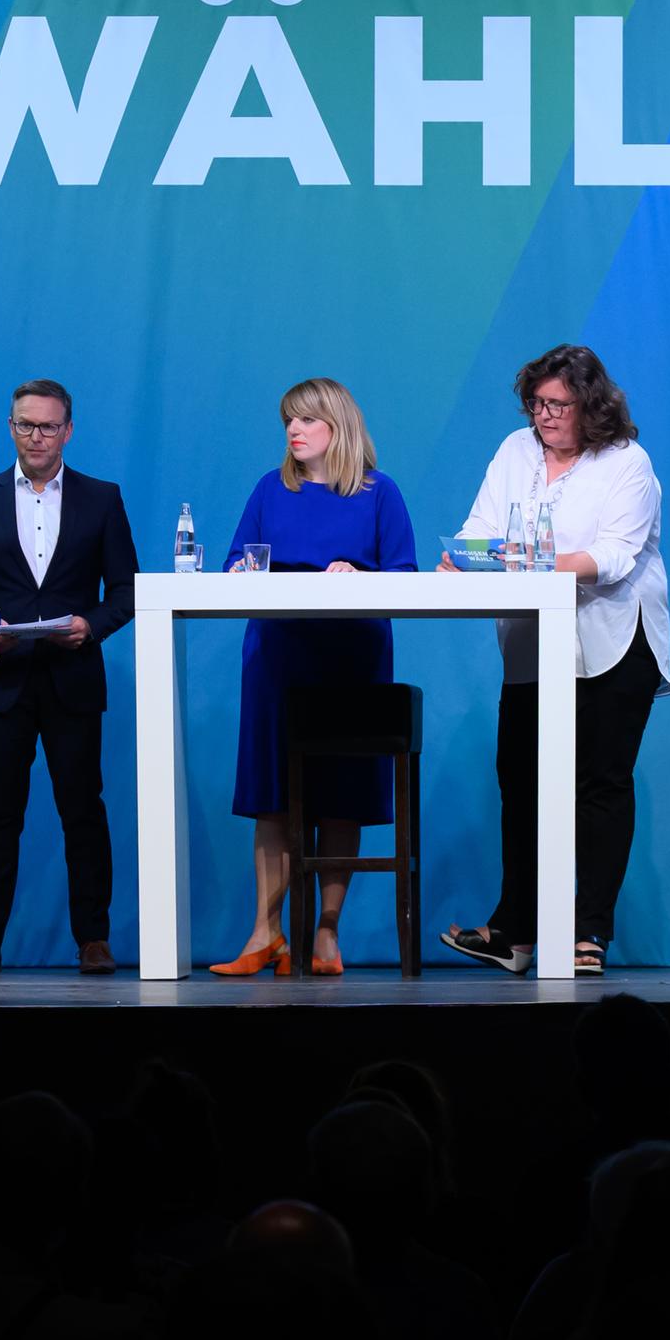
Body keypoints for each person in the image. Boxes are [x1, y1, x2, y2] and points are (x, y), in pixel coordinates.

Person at [442, 344, 670, 979]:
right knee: (520, 783)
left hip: (613, 640)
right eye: (537, 403)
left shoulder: (627, 462)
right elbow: (480, 527)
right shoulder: (515, 451)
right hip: (532, 644)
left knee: (599, 784)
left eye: (558, 405)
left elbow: (616, 556)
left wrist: (527, 563)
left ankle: (587, 932)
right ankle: (514, 933)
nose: (544, 417)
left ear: (591, 405)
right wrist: (462, 555)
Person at [0, 378, 139, 975]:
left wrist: (91, 627)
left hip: (73, 675)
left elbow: (126, 590)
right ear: (11, 427)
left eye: (48, 426)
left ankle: (93, 940)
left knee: (84, 811)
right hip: (1, 679)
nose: (37, 436)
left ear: (68, 430)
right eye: (25, 424)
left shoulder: (103, 498)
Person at [213, 378, 418, 978]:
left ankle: (326, 932)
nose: (293, 432)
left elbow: (404, 576)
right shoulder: (269, 489)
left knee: (342, 794)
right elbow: (234, 564)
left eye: (305, 420)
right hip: (278, 655)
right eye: (287, 423)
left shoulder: (381, 493)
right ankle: (265, 933)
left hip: (352, 658)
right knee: (272, 796)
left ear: (339, 425)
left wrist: (357, 573)